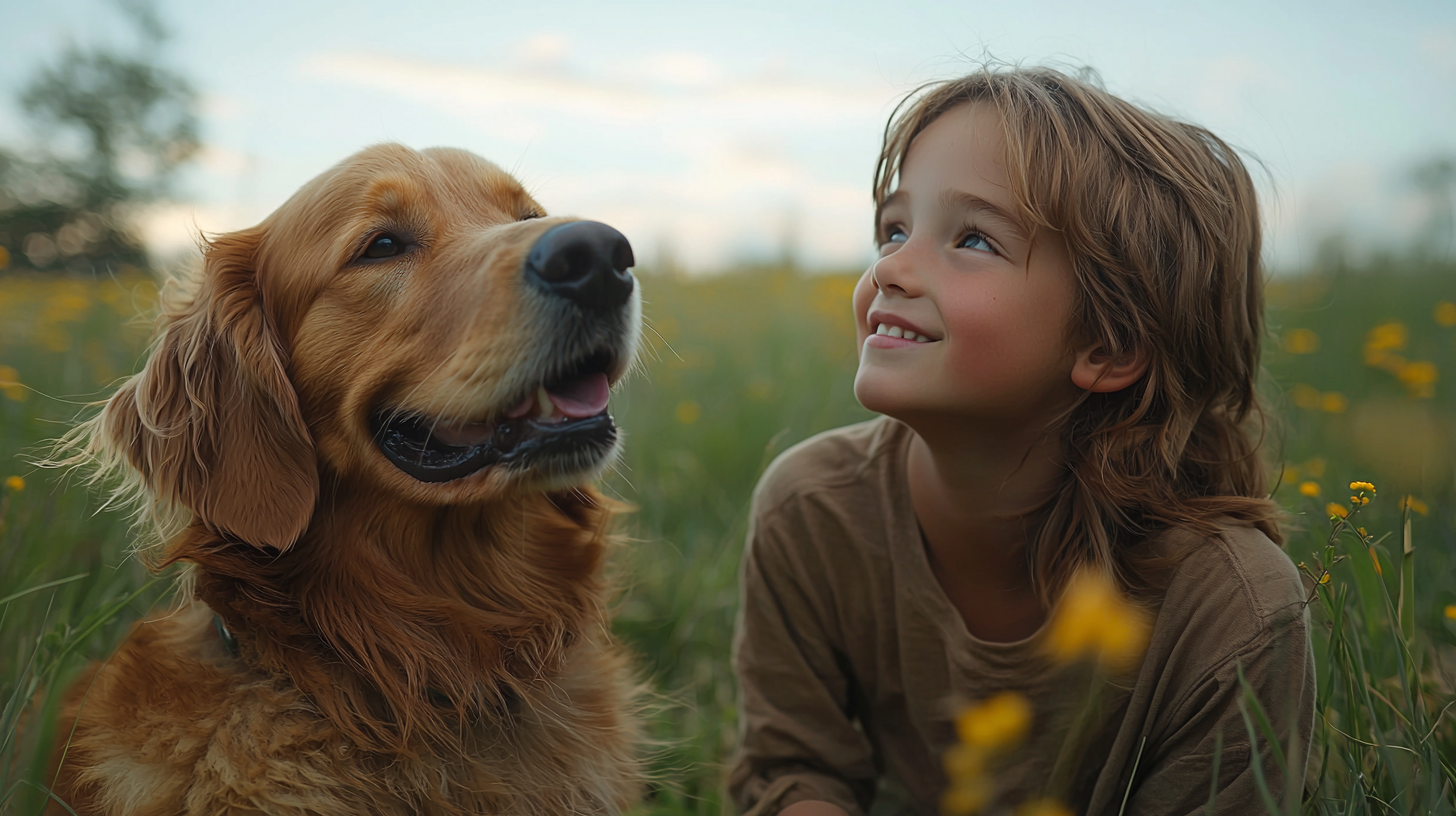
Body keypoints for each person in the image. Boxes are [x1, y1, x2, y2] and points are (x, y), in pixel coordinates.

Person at [729, 66, 1312, 816]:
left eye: (972, 239)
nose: (891, 268)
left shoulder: (1232, 614)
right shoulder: (810, 510)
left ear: (1109, 344)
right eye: (895, 228)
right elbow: (790, 769)